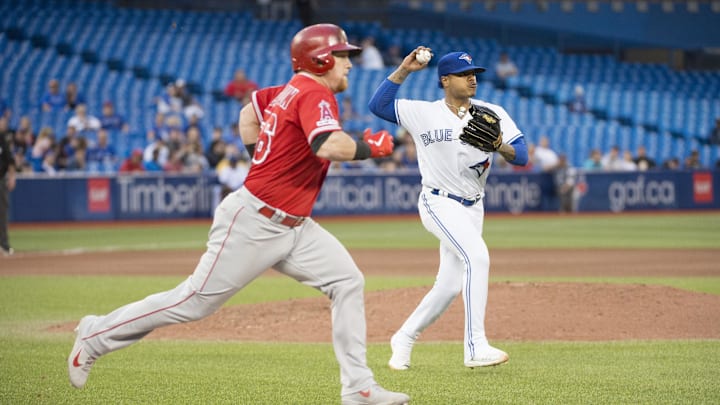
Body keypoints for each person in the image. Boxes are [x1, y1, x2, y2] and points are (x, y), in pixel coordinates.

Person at [67, 23, 409, 405]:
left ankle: (358, 388)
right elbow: (328, 146)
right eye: (343, 55)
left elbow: (249, 113)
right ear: (321, 58)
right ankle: (95, 335)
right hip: (256, 221)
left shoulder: (287, 91)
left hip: (295, 225)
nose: (349, 63)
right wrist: (371, 147)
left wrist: (262, 160)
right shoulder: (314, 91)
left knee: (347, 282)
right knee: (192, 302)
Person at [368, 48, 529, 370]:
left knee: (449, 285)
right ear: (444, 80)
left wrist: (499, 146)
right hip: (438, 200)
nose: (472, 79)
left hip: (473, 207)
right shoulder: (423, 112)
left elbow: (522, 155)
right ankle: (475, 346)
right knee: (478, 257)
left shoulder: (491, 112)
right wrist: (404, 69)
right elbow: (378, 105)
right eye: (463, 74)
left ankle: (404, 337)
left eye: (475, 74)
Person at [0, 118, 16, 256]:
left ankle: (4, 245)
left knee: (2, 212)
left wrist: (11, 177)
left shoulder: (2, 139)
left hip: (0, 180)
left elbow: (10, 160)